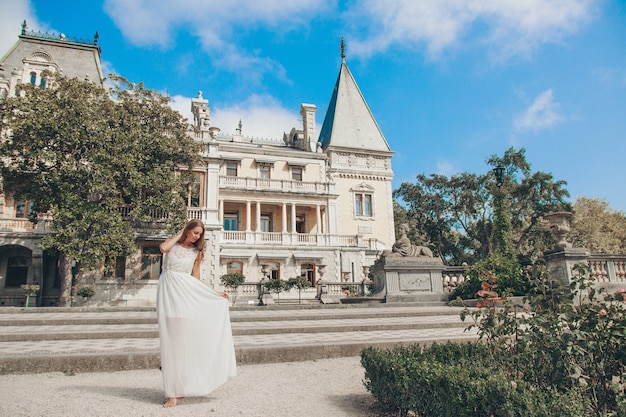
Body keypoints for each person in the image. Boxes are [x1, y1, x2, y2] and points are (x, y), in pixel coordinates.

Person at [156, 219, 237, 408]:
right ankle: (172, 392)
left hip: (186, 294)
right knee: (169, 342)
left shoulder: (196, 252)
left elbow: (196, 278)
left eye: (200, 234)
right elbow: (163, 248)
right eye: (195, 232)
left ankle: (178, 389)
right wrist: (180, 234)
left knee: (181, 344)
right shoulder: (172, 244)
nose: (197, 236)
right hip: (168, 293)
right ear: (188, 230)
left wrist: (214, 293)